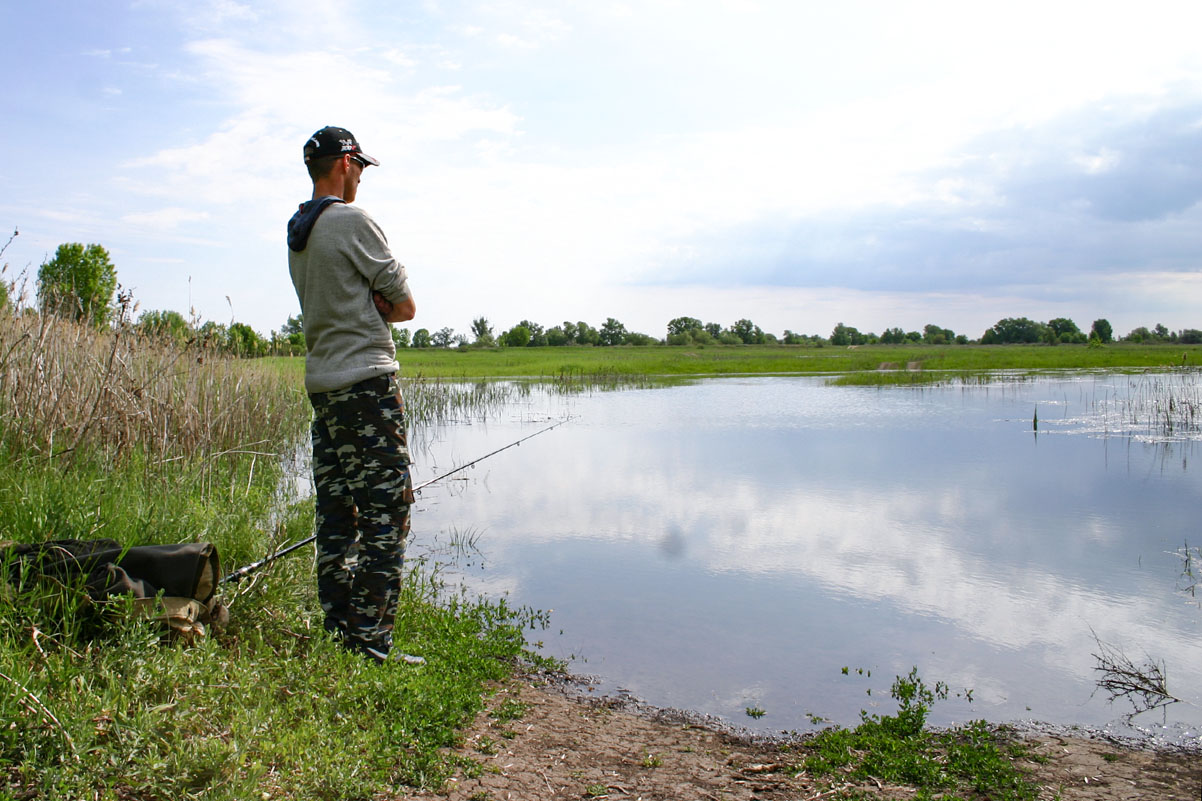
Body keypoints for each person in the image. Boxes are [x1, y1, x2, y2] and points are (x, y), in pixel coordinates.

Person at [286, 125, 421, 664]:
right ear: (344, 163)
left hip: (324, 387)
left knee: (338, 512)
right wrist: (377, 299)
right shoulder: (350, 221)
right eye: (361, 166)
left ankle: (340, 631)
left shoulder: (300, 229)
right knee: (388, 510)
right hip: (366, 384)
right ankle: (370, 641)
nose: (362, 176)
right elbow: (406, 304)